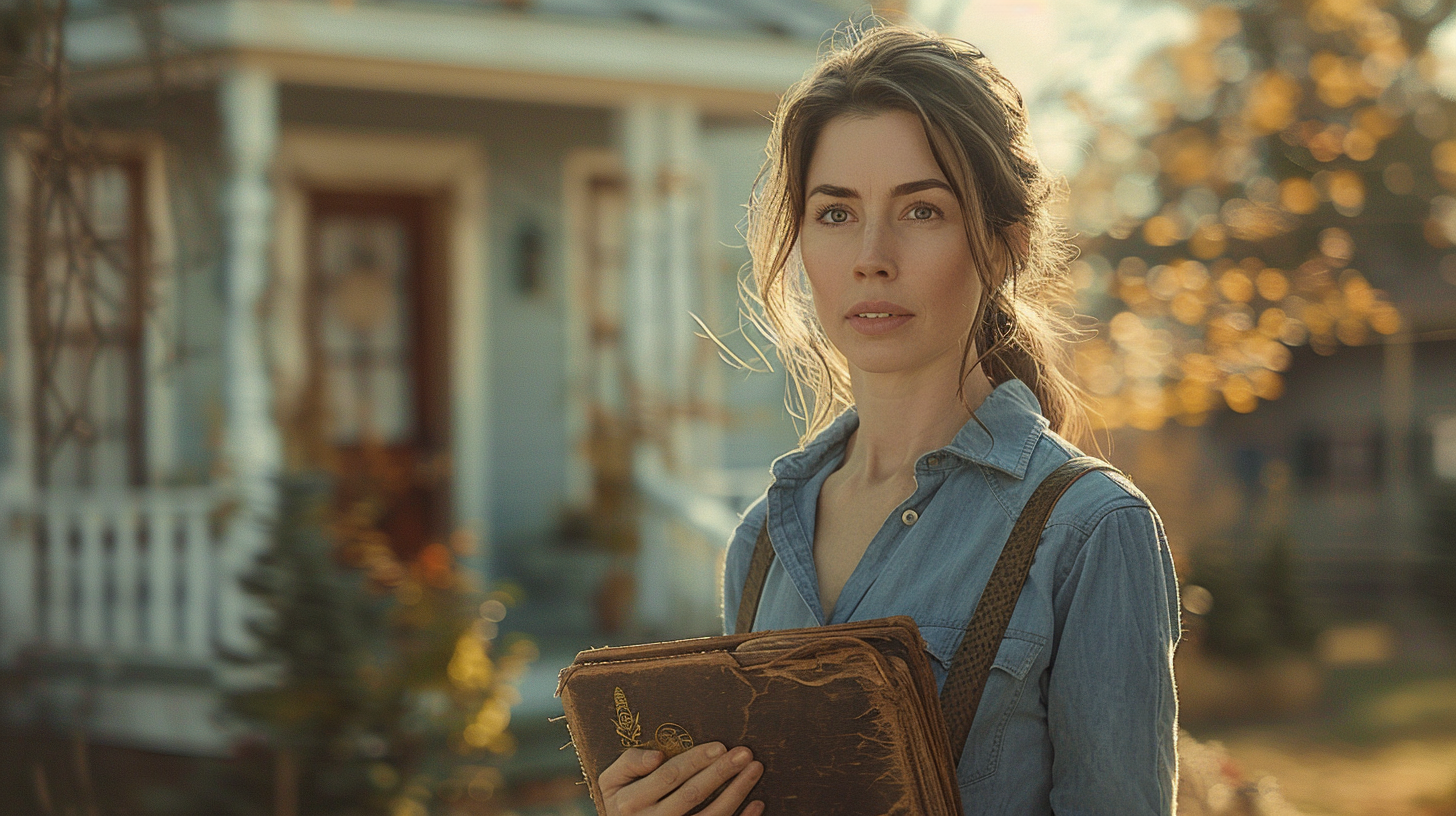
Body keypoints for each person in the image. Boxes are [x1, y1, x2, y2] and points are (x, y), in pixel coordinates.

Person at [597, 23, 1180, 816]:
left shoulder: (1087, 531)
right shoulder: (764, 540)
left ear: (1002, 246)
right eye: (836, 214)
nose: (872, 255)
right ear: (800, 243)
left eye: (922, 211)